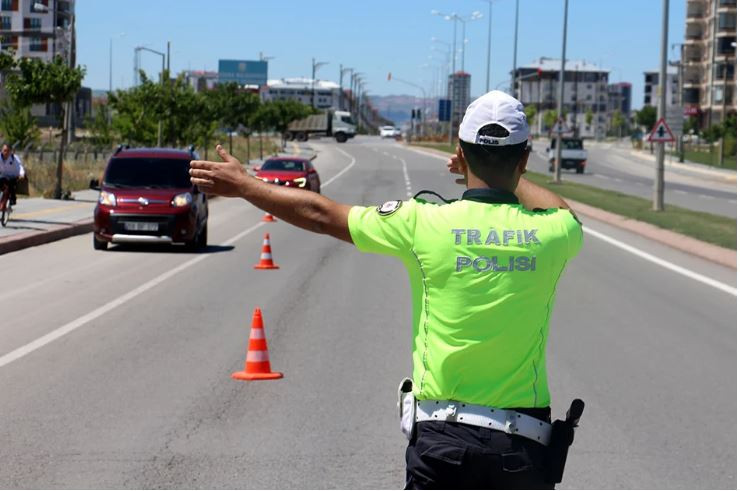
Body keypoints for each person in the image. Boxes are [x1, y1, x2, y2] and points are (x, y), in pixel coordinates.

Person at [189, 90, 583, 489]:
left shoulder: (422, 223)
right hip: (521, 450)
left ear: (461, 155)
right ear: (524, 159)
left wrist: (245, 185)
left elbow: (322, 215)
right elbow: (565, 212)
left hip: (443, 445)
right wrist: (514, 177)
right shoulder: (552, 232)